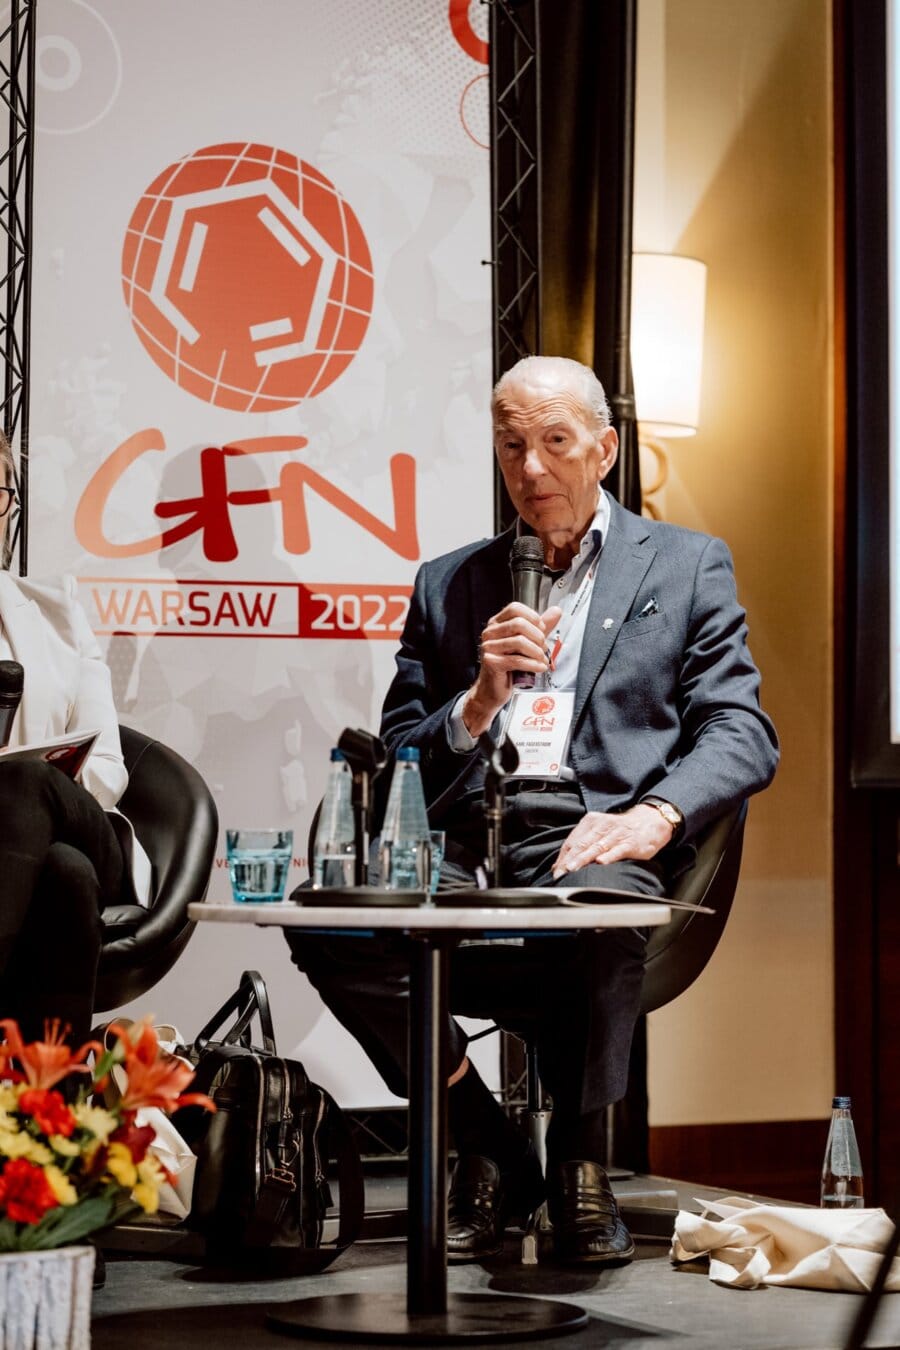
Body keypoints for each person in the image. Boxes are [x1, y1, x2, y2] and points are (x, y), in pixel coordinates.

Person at [288, 355, 779, 1265]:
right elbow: (401, 760)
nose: (532, 470)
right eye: (512, 446)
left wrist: (657, 815)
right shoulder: (451, 582)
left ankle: (580, 1168)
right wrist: (476, 701)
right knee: (329, 923)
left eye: (556, 443)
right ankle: (490, 1142)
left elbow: (743, 733)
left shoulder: (684, 565)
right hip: (467, 848)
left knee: (600, 903)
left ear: (605, 448)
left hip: (597, 836)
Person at [0, 432, 150, 1048]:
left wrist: (29, 786)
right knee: (65, 878)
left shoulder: (55, 612)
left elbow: (108, 767)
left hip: (76, 818)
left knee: (24, 782)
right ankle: (48, 1113)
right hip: (61, 863)